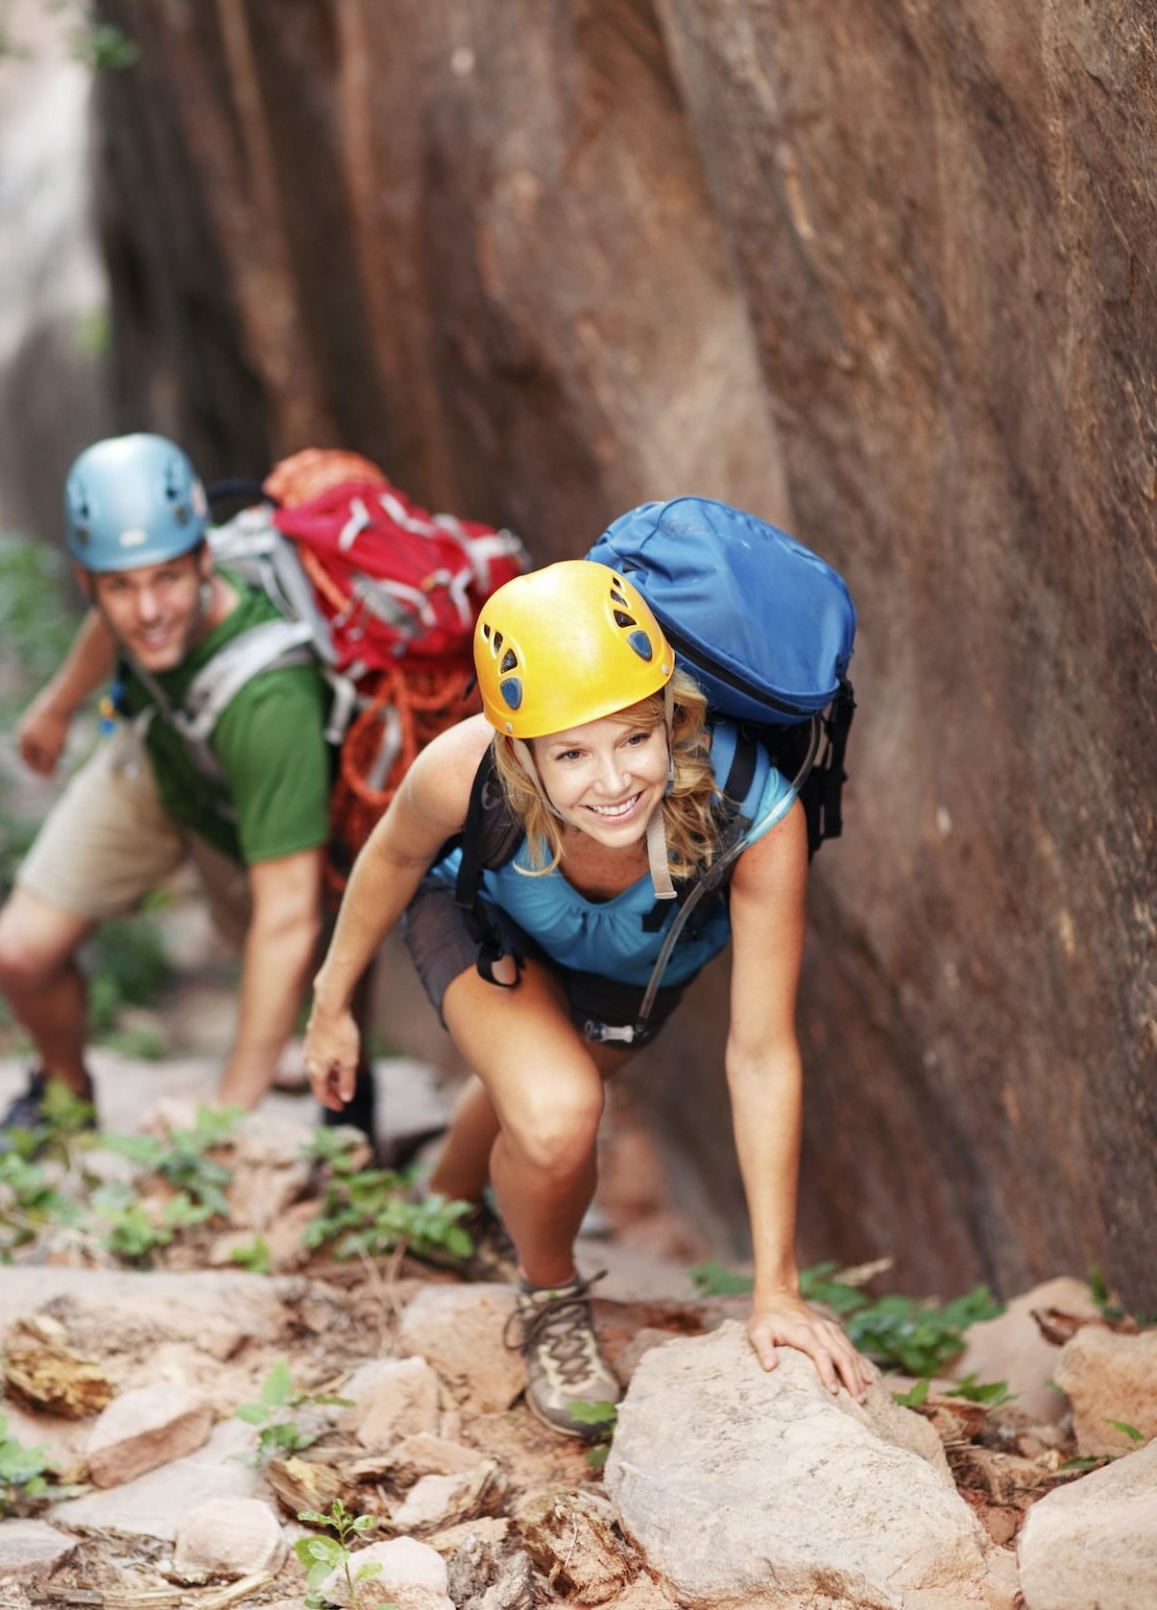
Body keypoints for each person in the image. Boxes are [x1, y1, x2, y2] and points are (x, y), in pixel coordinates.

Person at [301, 558, 873, 1438]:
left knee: (535, 1097)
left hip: (635, 966)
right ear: (518, 750)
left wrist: (777, 1293)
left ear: (673, 717)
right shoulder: (465, 769)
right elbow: (390, 858)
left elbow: (761, 1055)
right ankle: (548, 1290)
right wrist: (331, 1000)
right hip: (485, 920)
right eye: (571, 753)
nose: (613, 783)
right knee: (560, 1110)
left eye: (636, 739)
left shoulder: (753, 815)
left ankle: (442, 1210)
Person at [0, 432, 359, 1146]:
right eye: (120, 586)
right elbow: (114, 627)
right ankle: (65, 1101)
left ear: (204, 559)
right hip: (166, 756)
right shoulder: (134, 603)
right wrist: (58, 707)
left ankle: (348, 1124)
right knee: (20, 953)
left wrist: (221, 1124)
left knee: (308, 977)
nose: (147, 609)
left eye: (168, 580)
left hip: (247, 808)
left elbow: (286, 918)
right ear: (89, 582)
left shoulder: (270, 703)